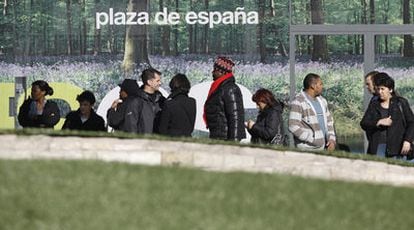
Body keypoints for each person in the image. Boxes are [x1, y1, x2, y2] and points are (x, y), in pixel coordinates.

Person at [360, 72, 414, 158]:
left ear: (390, 89)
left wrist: (407, 140)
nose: (380, 92)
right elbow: (364, 123)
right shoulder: (374, 104)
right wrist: (378, 122)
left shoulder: (401, 103)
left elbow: (411, 123)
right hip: (377, 147)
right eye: (378, 89)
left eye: (382, 89)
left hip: (398, 148)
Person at [288, 73, 336, 150]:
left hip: (324, 149)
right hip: (307, 150)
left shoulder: (323, 101)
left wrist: (332, 140)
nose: (322, 87)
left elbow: (329, 122)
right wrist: (313, 140)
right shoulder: (298, 102)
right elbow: (293, 126)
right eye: (320, 84)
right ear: (313, 86)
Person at [204, 56, 246, 141]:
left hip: (225, 138)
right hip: (219, 135)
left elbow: (235, 117)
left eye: (215, 70)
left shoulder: (230, 89)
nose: (212, 72)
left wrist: (232, 143)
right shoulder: (220, 88)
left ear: (221, 71)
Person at [136, 68, 166, 134]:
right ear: (149, 82)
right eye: (157, 81)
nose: (160, 83)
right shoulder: (136, 100)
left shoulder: (162, 100)